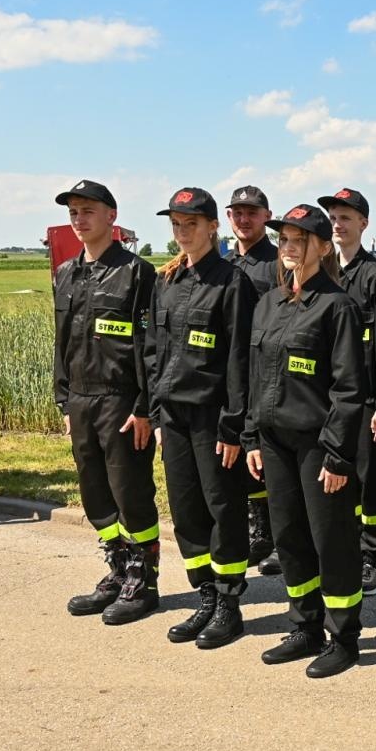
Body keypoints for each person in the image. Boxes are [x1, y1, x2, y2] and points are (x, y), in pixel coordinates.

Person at [245, 204, 368, 679]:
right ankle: (305, 625)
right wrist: (252, 434)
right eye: (284, 239)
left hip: (319, 444)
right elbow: (256, 375)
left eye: (299, 239)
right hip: (274, 440)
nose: (289, 247)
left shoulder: (337, 306)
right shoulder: (269, 303)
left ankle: (343, 636)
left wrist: (338, 454)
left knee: (330, 538)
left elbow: (348, 388)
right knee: (290, 537)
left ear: (321, 245)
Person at [147, 189, 256, 650]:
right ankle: (206, 595)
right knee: (187, 509)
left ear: (213, 225)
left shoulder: (233, 284)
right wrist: (154, 413)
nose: (182, 231)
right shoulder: (167, 281)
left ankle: (230, 604)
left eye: (191, 222)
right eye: (175, 223)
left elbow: (239, 362)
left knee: (223, 508)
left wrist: (233, 426)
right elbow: (154, 350)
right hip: (172, 414)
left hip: (213, 417)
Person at [53, 180, 162, 625]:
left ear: (111, 217)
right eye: (74, 212)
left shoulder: (137, 274)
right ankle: (117, 570)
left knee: (130, 492)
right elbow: (61, 343)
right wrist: (63, 401)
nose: (80, 219)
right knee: (95, 493)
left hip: (122, 402)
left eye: (88, 211)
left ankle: (143, 580)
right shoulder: (65, 273)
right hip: (80, 400)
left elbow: (152, 347)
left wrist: (144, 407)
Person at [321, 187, 376, 596]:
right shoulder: (326, 272)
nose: (338, 224)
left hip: (367, 400)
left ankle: (373, 558)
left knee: (371, 481)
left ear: (363, 224)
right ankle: (348, 547)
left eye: (346, 217)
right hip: (333, 399)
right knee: (340, 478)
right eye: (334, 217)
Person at [223, 185, 281, 577]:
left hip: (267, 371)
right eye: (237, 213)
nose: (244, 219)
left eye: (252, 212)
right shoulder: (223, 264)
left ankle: (281, 535)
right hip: (231, 371)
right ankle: (259, 529)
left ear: (266, 216)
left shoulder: (278, 263)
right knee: (245, 459)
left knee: (271, 456)